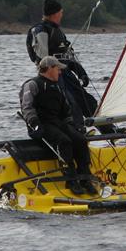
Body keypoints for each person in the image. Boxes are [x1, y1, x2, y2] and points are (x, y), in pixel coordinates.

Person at [19, 56, 98, 196]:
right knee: (64, 141)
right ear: (49, 69)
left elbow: (66, 110)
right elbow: (27, 108)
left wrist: (73, 126)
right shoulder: (32, 84)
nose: (60, 72)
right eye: (58, 69)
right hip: (41, 125)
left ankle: (85, 178)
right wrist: (34, 124)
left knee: (80, 140)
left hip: (57, 123)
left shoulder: (57, 86)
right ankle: (71, 180)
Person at [26, 0, 98, 129]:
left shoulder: (58, 31)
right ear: (55, 14)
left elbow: (68, 55)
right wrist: (51, 76)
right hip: (52, 74)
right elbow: (43, 60)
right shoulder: (40, 30)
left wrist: (81, 73)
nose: (62, 15)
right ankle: (77, 129)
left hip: (65, 72)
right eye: (61, 12)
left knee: (87, 100)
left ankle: (108, 127)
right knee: (69, 102)